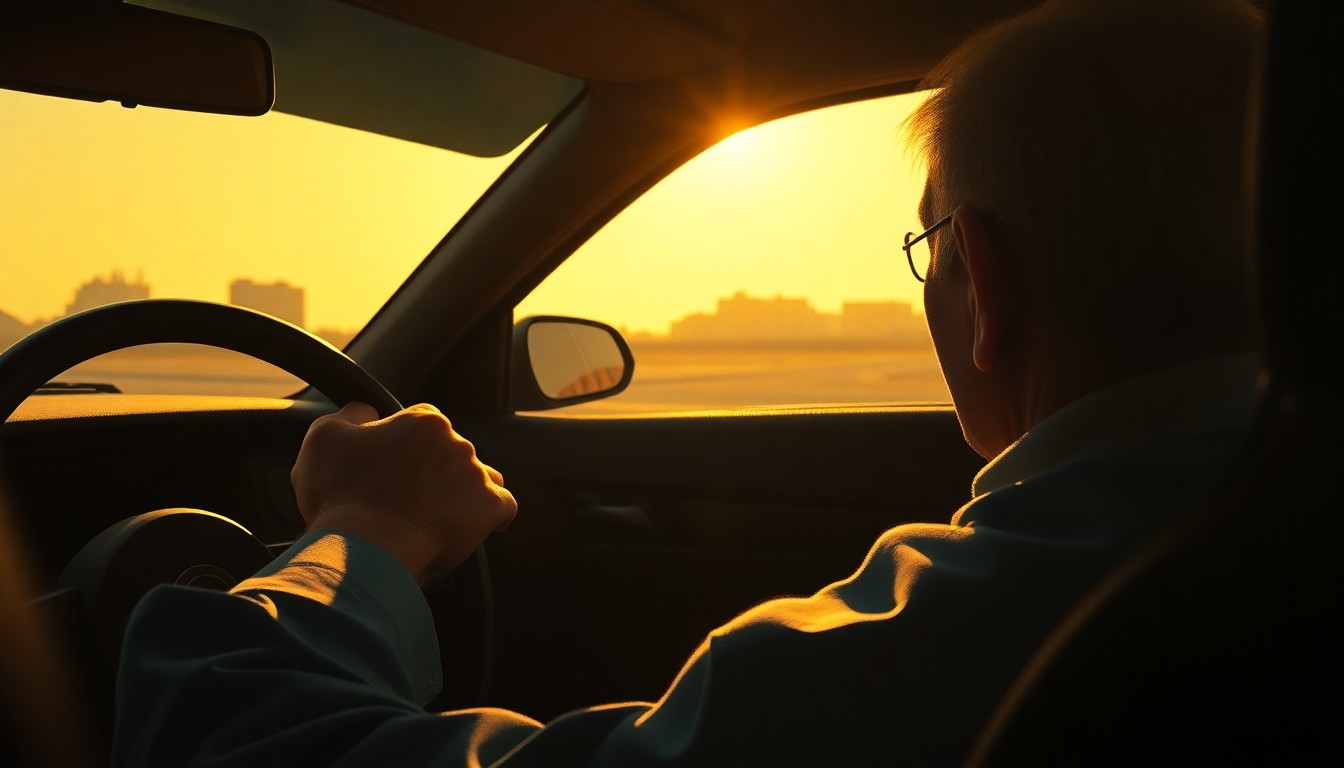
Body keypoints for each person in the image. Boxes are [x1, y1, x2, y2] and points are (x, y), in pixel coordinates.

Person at [112, 0, 1266, 765]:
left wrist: (358, 535)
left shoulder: (908, 663)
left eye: (932, 255)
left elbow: (227, 736)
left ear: (988, 283)